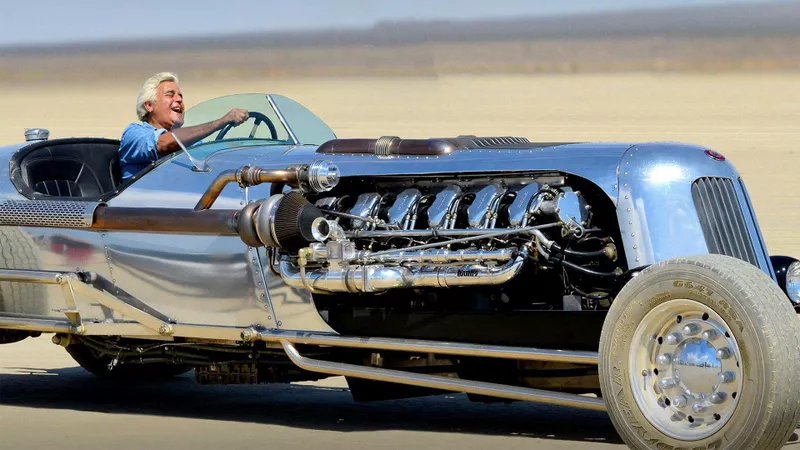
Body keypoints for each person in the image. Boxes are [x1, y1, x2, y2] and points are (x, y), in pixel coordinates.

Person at [119, 72, 249, 181]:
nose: (179, 99)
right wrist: (220, 122)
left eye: (180, 96)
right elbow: (163, 144)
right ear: (149, 105)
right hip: (146, 206)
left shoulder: (193, 141)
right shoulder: (134, 133)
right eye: (170, 95)